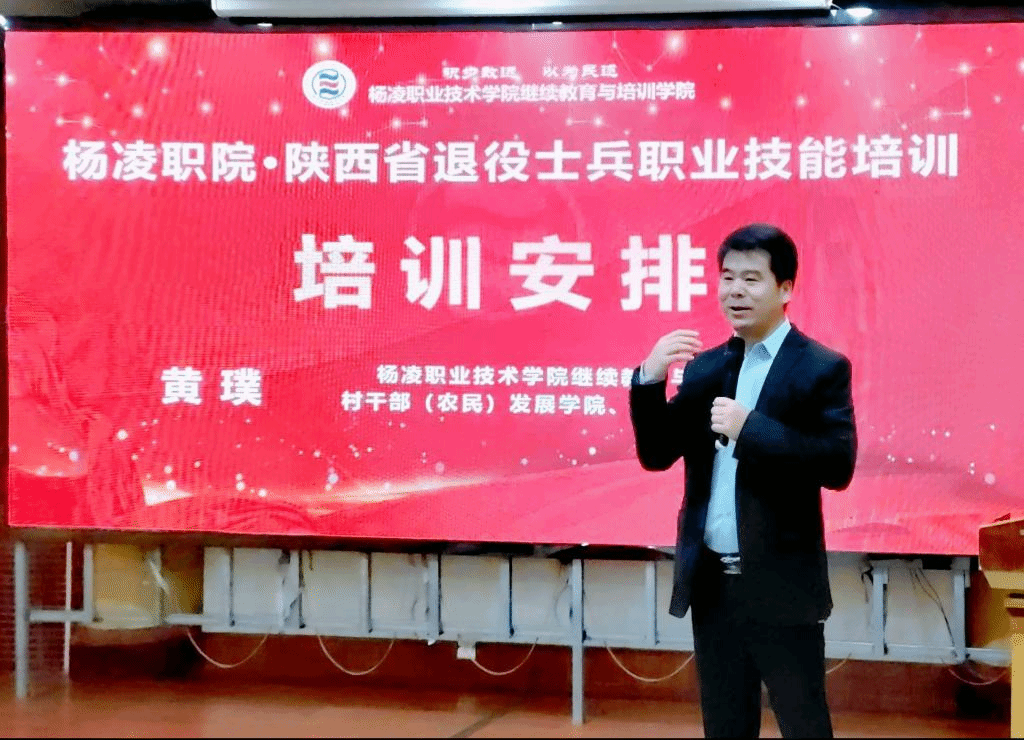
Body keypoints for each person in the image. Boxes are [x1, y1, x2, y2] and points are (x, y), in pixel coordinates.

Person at [629, 223, 857, 738]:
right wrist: (649, 379)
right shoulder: (707, 368)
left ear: (785, 288)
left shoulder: (820, 367)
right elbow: (657, 454)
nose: (735, 291)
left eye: (751, 279)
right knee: (725, 726)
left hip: (782, 585)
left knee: (804, 724)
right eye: (727, 277)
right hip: (714, 587)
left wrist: (751, 428)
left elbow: (836, 464)